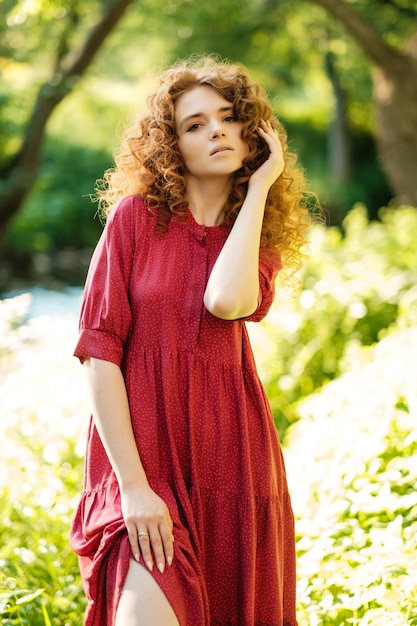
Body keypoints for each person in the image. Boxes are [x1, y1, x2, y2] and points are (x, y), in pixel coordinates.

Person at [70, 55, 311, 626]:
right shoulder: (133, 221)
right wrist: (133, 486)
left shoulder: (254, 236)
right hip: (142, 467)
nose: (216, 132)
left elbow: (226, 302)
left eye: (228, 118)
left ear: (252, 133)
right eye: (194, 124)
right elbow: (99, 353)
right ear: (171, 145)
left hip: (233, 465)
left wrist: (258, 191)